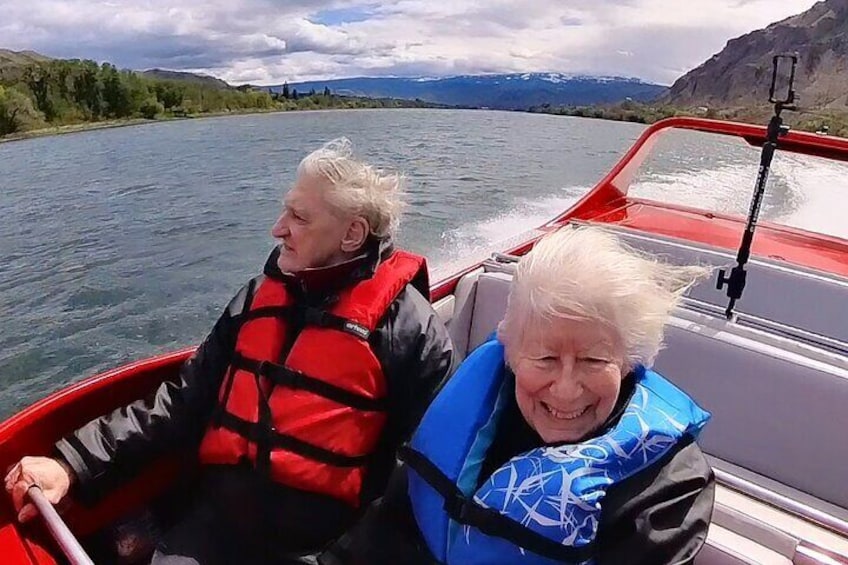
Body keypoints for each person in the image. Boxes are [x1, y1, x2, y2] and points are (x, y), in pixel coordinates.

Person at [4, 138, 455, 564]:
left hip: (324, 548)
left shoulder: (411, 331)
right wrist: (72, 465)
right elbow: (182, 401)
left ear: (352, 234)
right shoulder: (256, 298)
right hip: (216, 528)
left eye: (299, 217)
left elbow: (415, 478)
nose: (278, 228)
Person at [320, 225, 715, 565]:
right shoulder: (472, 412)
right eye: (544, 358)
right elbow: (382, 535)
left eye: (593, 361)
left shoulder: (666, 489)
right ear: (510, 353)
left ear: (629, 362)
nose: (565, 388)